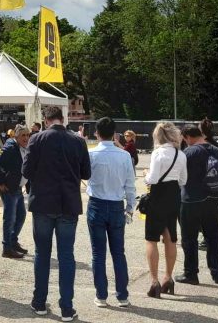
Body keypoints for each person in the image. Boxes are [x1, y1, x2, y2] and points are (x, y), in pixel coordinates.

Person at [22, 105, 91, 321]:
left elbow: (26, 170)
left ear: (46, 120)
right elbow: (86, 173)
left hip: (43, 203)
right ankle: (66, 307)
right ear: (63, 118)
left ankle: (39, 302)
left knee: (42, 254)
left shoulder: (36, 139)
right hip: (68, 203)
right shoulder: (78, 141)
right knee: (66, 255)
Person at [86, 117, 136, 308]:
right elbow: (130, 185)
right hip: (116, 205)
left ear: (96, 133)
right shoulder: (124, 155)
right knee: (118, 252)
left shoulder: (91, 154)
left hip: (97, 204)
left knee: (98, 253)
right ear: (115, 134)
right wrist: (130, 207)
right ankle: (122, 295)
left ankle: (101, 295)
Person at [143, 122, 187, 298]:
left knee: (151, 238)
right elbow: (183, 180)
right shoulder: (180, 154)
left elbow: (152, 179)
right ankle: (168, 277)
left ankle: (154, 281)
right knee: (171, 237)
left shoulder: (158, 153)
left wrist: (145, 175)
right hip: (174, 195)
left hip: (159, 195)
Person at [178, 125, 218, 286]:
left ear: (187, 137)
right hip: (214, 197)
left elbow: (180, 175)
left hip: (192, 199)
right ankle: (217, 272)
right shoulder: (216, 150)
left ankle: (191, 273)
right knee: (213, 237)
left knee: (189, 238)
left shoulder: (189, 152)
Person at [0, 124, 30, 259]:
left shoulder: (24, 147)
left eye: (28, 135)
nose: (26, 138)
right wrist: (0, 182)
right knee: (10, 218)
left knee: (21, 216)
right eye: (23, 135)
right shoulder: (10, 148)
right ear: (16, 136)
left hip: (17, 188)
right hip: (9, 188)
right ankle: (7, 248)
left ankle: (13, 241)